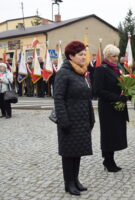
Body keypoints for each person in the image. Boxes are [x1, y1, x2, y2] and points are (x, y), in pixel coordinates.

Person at [54, 41, 94, 195]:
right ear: (71, 56)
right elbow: (58, 98)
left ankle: (75, 179)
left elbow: (86, 97)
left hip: (82, 118)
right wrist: (63, 121)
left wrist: (91, 118)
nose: (84, 57)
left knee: (77, 151)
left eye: (85, 54)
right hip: (69, 120)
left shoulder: (81, 72)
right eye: (80, 55)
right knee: (68, 153)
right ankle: (68, 183)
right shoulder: (63, 72)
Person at [93, 44, 128, 172]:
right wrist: (116, 97)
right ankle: (108, 161)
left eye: (117, 56)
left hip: (118, 107)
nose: (116, 59)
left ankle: (110, 159)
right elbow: (98, 90)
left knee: (115, 134)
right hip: (107, 107)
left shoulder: (117, 69)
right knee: (109, 134)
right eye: (113, 56)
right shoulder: (100, 70)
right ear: (107, 56)